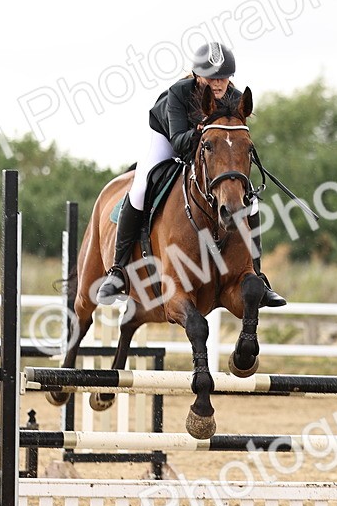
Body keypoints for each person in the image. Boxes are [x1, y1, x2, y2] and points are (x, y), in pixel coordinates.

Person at [96, 42, 286, 307]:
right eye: (211, 77)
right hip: (168, 138)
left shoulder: (235, 98)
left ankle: (257, 274)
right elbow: (177, 141)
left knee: (250, 200)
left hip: (210, 152)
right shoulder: (179, 93)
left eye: (223, 77)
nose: (218, 83)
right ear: (197, 75)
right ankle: (117, 271)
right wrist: (201, 132)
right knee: (139, 190)